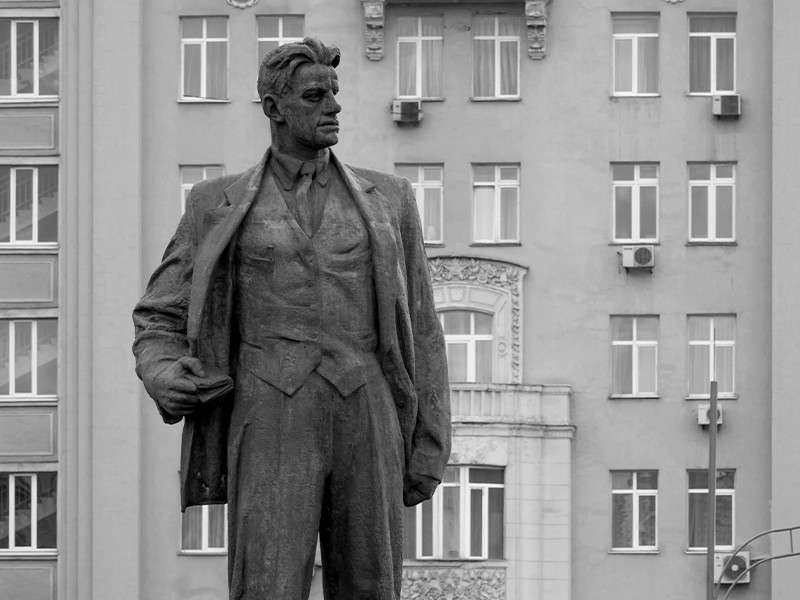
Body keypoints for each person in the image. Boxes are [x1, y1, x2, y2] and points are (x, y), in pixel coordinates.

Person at [132, 38, 451, 600]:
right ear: (274, 109)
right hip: (268, 409)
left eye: (334, 93)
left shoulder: (391, 199)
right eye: (314, 95)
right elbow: (161, 313)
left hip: (368, 407)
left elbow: (422, 327)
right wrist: (163, 372)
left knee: (373, 584)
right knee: (266, 585)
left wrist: (429, 443)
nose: (333, 107)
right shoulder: (216, 203)